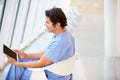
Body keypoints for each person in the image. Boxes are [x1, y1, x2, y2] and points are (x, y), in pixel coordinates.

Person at [5, 7, 75, 80]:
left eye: (48, 22)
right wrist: (26, 55)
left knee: (18, 65)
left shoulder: (60, 42)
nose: (45, 24)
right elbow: (49, 53)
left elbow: (40, 63)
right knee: (21, 60)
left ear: (57, 24)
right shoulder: (66, 34)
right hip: (59, 71)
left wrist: (16, 64)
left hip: (52, 75)